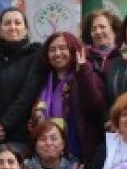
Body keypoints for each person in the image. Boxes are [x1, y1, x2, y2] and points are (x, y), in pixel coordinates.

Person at [29, 32, 108, 161]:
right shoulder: (45, 79)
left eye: (62, 48)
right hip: (48, 150)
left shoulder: (86, 74)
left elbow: (95, 107)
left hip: (79, 151)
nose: (57, 53)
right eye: (52, 50)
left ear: (73, 50)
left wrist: (83, 71)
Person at [0, 7, 43, 148]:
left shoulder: (36, 55)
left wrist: (4, 124)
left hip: (22, 134)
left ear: (26, 29)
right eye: (7, 23)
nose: (13, 27)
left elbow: (28, 94)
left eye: (17, 23)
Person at [81, 9, 121, 96]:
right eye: (93, 29)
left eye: (102, 27)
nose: (98, 32)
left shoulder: (124, 55)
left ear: (114, 29)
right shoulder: (84, 57)